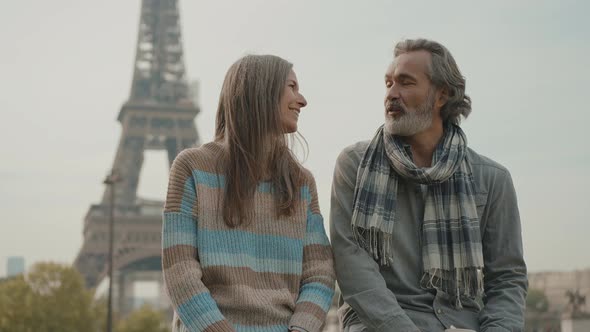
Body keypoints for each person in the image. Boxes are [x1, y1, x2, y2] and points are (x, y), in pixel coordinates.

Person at [330, 39, 527, 332]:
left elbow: (507, 279)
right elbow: (353, 268)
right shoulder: (354, 166)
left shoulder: (493, 179)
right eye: (388, 83)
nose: (391, 94)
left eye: (405, 83)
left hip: (464, 323)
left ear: (441, 95)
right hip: (378, 325)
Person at [162, 54, 335, 332]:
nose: (302, 100)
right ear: (261, 92)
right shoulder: (192, 168)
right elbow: (180, 272)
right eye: (292, 87)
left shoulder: (302, 183)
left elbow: (320, 275)